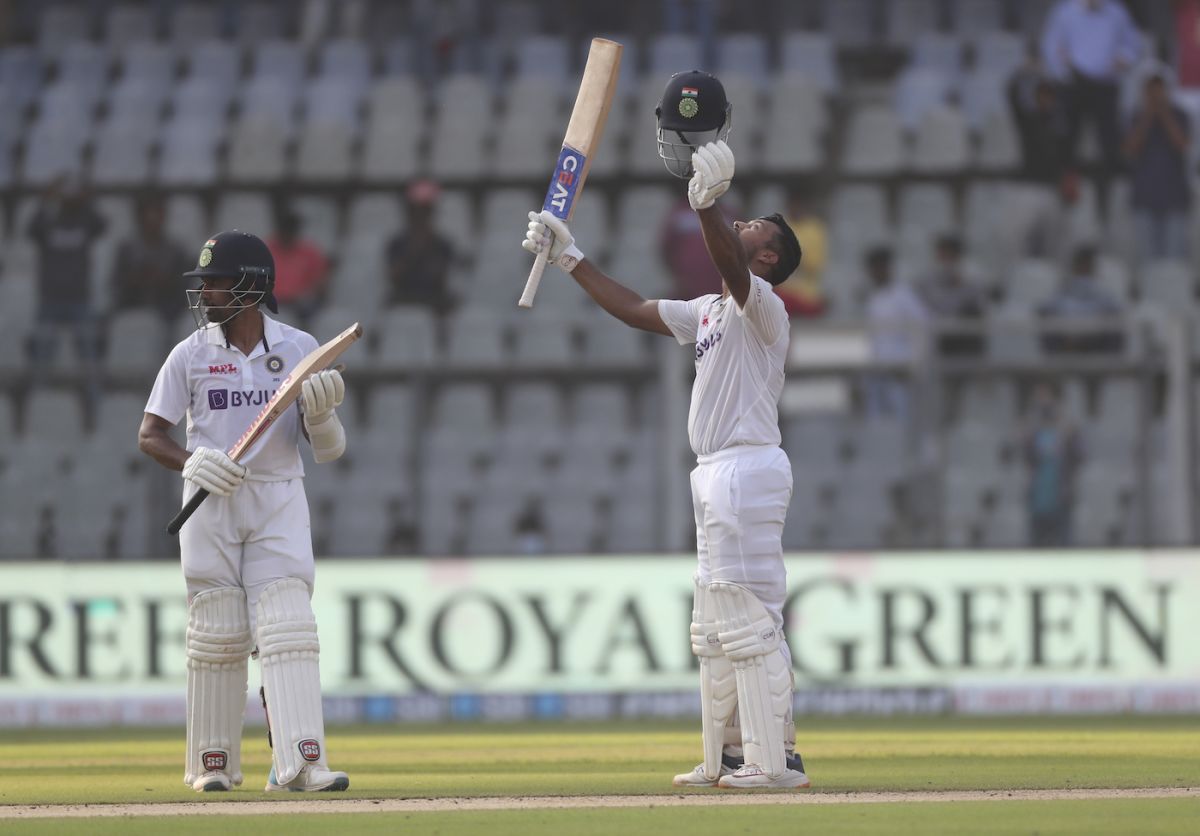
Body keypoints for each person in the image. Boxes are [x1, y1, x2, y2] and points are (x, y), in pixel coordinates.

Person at [521, 70, 809, 791]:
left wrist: (709, 206)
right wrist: (569, 256)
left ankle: (780, 761)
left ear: (767, 258)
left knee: (749, 617)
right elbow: (634, 308)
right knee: (714, 625)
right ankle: (733, 755)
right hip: (714, 471)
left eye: (751, 232)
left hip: (749, 468)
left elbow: (730, 266)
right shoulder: (710, 312)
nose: (740, 232)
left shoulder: (762, 304)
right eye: (740, 224)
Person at [137, 230, 350, 794]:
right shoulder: (190, 353)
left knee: (287, 623)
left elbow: (327, 452)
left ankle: (301, 763)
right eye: (203, 282)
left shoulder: (301, 347)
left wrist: (325, 419)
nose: (205, 291)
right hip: (212, 499)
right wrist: (190, 463)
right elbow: (150, 434)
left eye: (215, 281)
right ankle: (214, 765)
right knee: (218, 629)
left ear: (251, 284)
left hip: (278, 493)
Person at [1041, 0, 1142, 193]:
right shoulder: (1065, 12)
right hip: (1074, 83)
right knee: (1069, 133)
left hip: (1105, 83)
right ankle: (1066, 176)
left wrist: (1124, 59)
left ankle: (1110, 180)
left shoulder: (1117, 12)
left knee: (1109, 135)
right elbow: (1051, 45)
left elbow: (1133, 44)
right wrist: (1064, 72)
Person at [27, 173, 106, 369]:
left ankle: (92, 396)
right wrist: (46, 199)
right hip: (50, 298)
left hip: (80, 297)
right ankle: (39, 394)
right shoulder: (47, 221)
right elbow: (30, 229)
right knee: (43, 355)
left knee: (88, 356)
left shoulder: (86, 220)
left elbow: (102, 224)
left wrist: (87, 200)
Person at [1123, 73, 1191, 262]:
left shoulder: (1181, 115)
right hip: (1144, 196)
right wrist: (1148, 116)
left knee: (1173, 256)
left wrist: (1164, 114)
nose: (1155, 96)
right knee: (1146, 257)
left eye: (1158, 92)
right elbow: (1130, 149)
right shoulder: (1137, 116)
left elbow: (1182, 145)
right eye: (1151, 92)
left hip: (1174, 197)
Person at [863, 246, 928, 419]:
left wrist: (914, 362)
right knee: (875, 421)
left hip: (899, 371)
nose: (877, 272)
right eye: (874, 268)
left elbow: (920, 329)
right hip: (876, 370)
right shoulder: (871, 298)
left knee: (901, 419)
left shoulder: (904, 296)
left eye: (881, 267)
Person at [112, 191, 193, 321]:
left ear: (163, 216)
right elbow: (117, 283)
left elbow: (183, 286)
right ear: (139, 218)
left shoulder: (177, 250)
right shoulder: (126, 250)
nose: (153, 220)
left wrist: (164, 280)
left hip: (167, 310)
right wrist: (138, 279)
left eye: (157, 214)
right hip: (133, 306)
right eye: (148, 215)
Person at [1022, 383, 1083, 547]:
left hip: (1060, 499)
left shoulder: (1069, 430)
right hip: (1038, 500)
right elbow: (1025, 457)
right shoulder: (1034, 431)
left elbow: (1080, 456)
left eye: (1045, 398)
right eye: (1037, 401)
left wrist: (1068, 436)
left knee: (1063, 549)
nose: (1042, 405)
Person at [385, 178, 456, 314]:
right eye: (415, 211)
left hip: (433, 301)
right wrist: (413, 251)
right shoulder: (397, 243)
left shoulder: (442, 244)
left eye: (424, 211)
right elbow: (394, 276)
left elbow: (440, 277)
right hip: (403, 299)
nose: (420, 216)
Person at [1038, 244, 1125, 353]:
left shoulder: (1102, 293)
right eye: (1082, 264)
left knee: (1116, 321)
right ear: (1075, 266)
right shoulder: (1063, 292)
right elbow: (1045, 309)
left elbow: (1115, 310)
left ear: (1092, 267)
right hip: (1066, 342)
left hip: (1097, 341)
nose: (1084, 267)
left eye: (1087, 264)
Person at [916, 235, 987, 357]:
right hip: (937, 332)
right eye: (940, 254)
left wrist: (961, 286)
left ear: (956, 255)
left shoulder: (973, 277)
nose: (942, 258)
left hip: (963, 334)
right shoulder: (928, 278)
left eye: (946, 254)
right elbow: (925, 305)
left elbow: (979, 308)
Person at [266, 203, 330, 326]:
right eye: (285, 230)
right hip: (270, 300)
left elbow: (319, 282)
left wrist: (309, 294)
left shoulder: (310, 252)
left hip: (299, 304)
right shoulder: (265, 249)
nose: (287, 235)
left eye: (291, 231)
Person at [774, 188, 827, 318]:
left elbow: (815, 265)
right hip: (781, 293)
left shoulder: (816, 229)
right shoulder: (778, 227)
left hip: (806, 295)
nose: (796, 208)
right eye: (793, 204)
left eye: (799, 204)